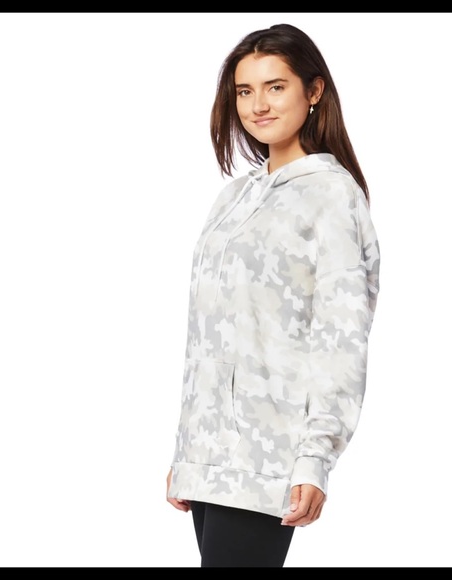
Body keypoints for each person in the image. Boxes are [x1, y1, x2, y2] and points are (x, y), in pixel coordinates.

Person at [166, 22, 380, 568]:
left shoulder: (333, 196)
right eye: (245, 90)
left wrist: (316, 458)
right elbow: (208, 334)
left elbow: (340, 338)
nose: (258, 105)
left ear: (314, 91)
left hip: (269, 457)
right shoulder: (234, 197)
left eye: (275, 86)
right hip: (211, 458)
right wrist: (189, 452)